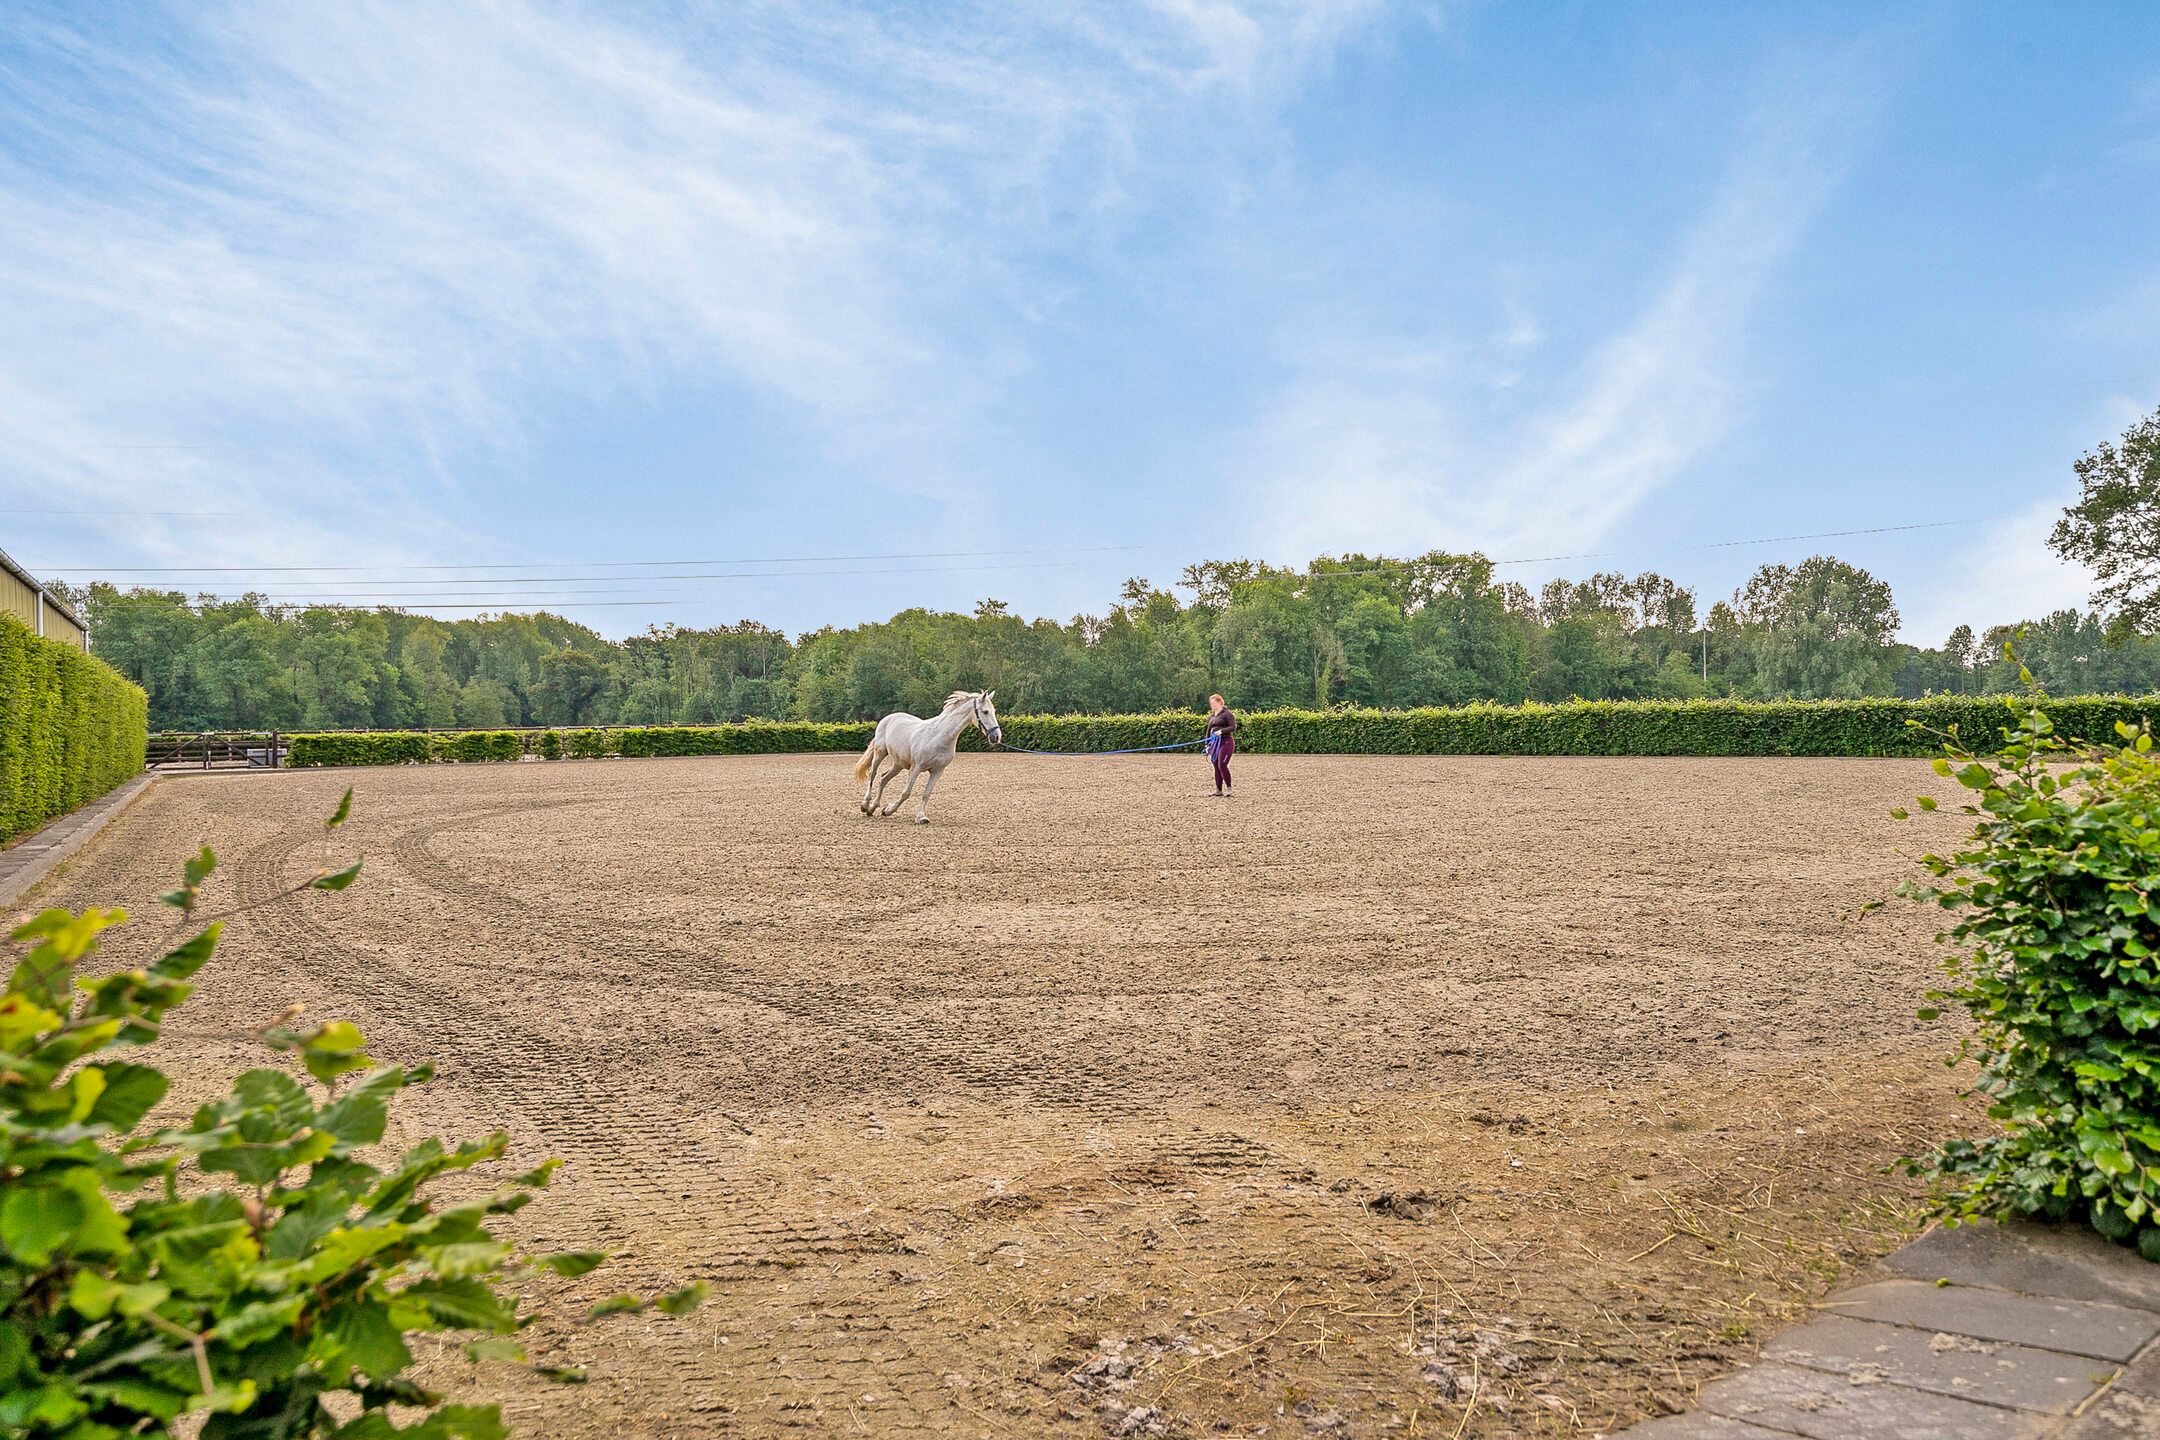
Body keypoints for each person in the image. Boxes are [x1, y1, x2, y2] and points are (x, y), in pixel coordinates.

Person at [1205, 693, 1236, 796]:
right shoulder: (1212, 716)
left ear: (1219, 702)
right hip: (1214, 743)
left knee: (1222, 764)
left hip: (1226, 742)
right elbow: (1208, 730)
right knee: (1215, 765)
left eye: (1213, 703)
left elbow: (1233, 727)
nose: (1211, 705)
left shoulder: (1227, 713)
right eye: (1211, 703)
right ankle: (1218, 790)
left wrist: (1221, 731)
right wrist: (1207, 745)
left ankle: (1229, 788)